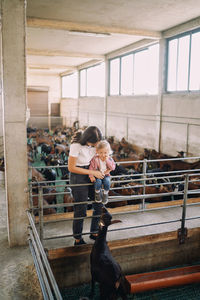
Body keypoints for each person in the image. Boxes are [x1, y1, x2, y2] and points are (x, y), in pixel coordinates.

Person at [68, 126, 104, 246]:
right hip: (78, 175)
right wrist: (93, 172)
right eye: (93, 143)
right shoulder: (76, 146)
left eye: (97, 143)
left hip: (90, 173)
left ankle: (94, 232)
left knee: (98, 203)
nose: (95, 146)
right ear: (87, 139)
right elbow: (71, 167)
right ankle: (78, 239)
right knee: (81, 209)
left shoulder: (96, 144)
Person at [89, 140, 116, 204]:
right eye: (101, 152)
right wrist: (91, 176)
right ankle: (97, 194)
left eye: (105, 152)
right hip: (97, 174)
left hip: (106, 175)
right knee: (98, 182)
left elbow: (112, 168)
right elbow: (91, 168)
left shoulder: (109, 159)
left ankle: (105, 194)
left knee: (107, 182)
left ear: (108, 152)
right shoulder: (95, 159)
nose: (103, 155)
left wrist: (106, 160)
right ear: (97, 151)